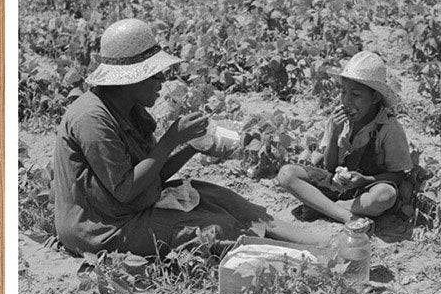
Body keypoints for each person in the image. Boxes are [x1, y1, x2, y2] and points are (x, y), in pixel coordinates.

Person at [52, 18, 326, 257]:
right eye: (154, 75)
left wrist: (191, 147)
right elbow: (126, 190)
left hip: (133, 205)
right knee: (215, 229)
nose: (162, 82)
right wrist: (171, 140)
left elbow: (153, 175)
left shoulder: (130, 109)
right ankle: (314, 258)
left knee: (226, 201)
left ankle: (328, 243)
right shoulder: (92, 119)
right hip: (104, 227)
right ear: (130, 79)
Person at [276, 50, 412, 223]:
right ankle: (344, 214)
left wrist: (365, 180)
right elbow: (329, 166)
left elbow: (398, 175)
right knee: (287, 174)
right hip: (337, 184)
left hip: (366, 190)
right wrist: (333, 134)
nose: (347, 101)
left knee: (385, 195)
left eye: (355, 95)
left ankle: (323, 206)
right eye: (344, 92)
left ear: (375, 97)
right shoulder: (339, 119)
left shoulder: (389, 128)